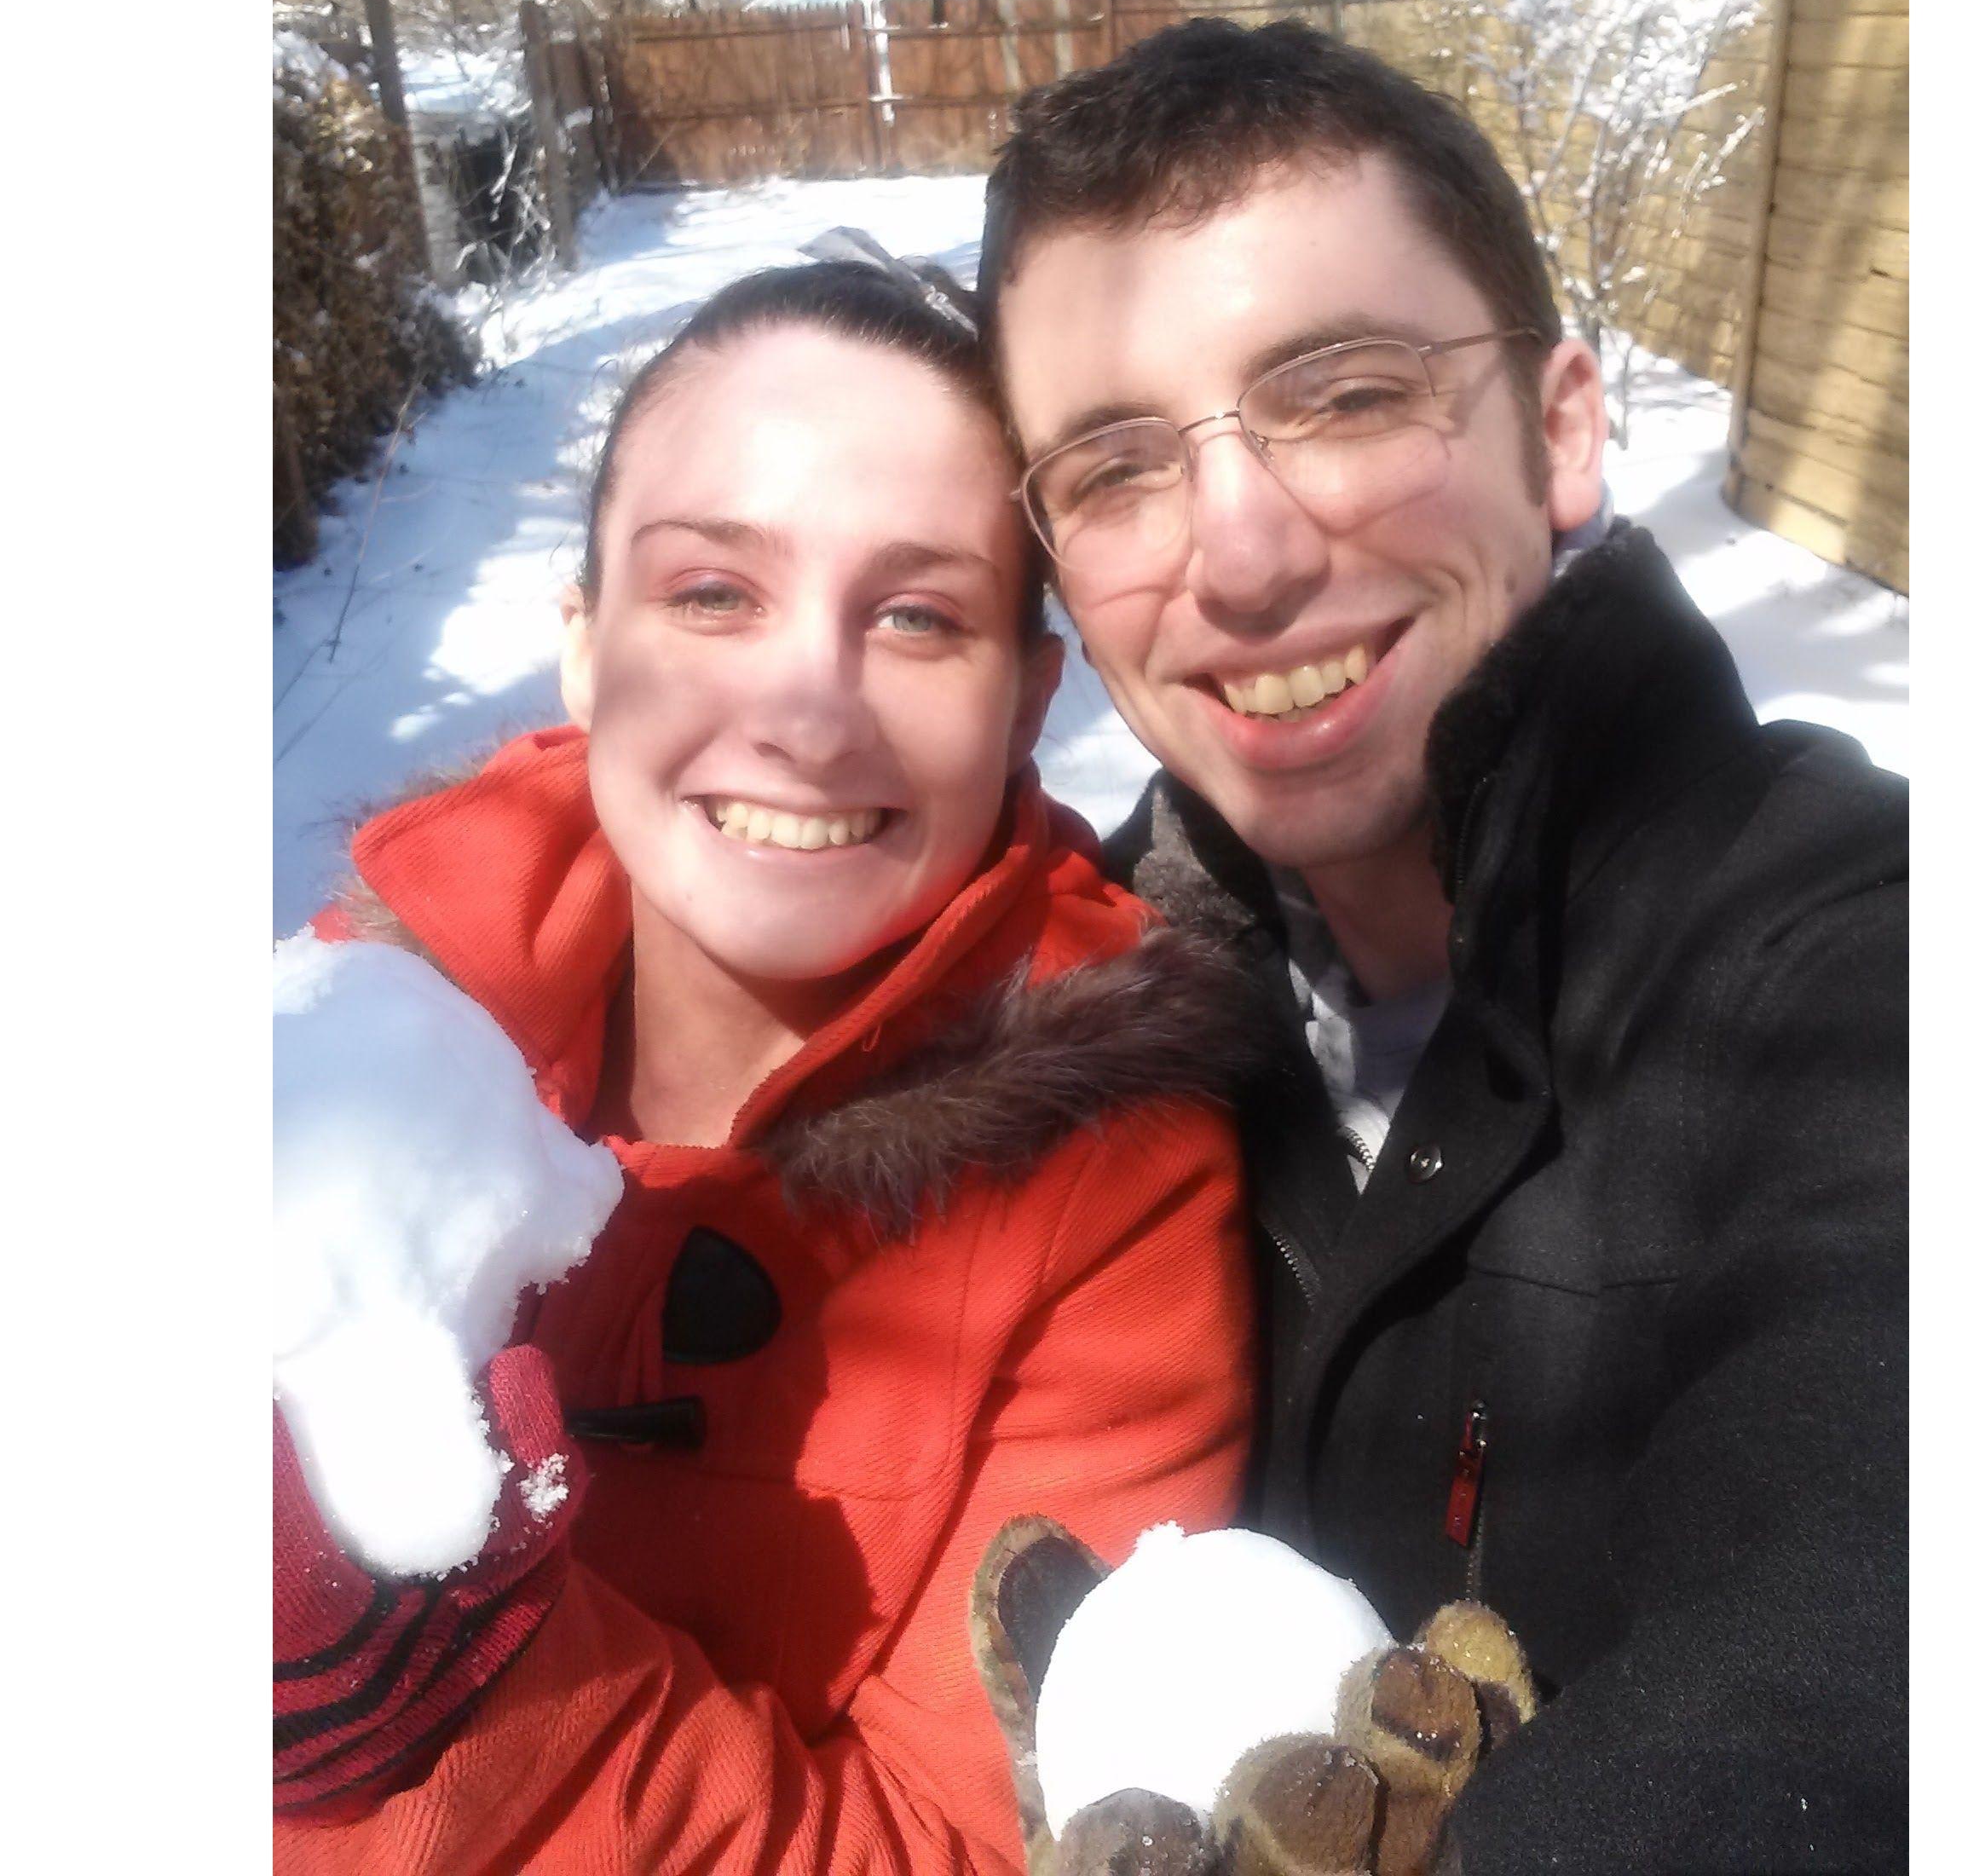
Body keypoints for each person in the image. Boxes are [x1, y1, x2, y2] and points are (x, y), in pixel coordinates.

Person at [978, 20, 1908, 1873]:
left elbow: (1872, 1637)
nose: (1235, 554)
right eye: (1110, 466)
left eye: (1340, 392)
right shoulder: (1073, 1025)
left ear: (1559, 426)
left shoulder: (1856, 976)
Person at [272, 259, 1257, 1873]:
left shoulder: (1113, 1187)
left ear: (1025, 701)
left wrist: (450, 1693)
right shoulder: (369, 1013)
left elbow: (978, 1847)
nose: (806, 707)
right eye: (714, 594)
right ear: (586, 644)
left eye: (920, 615)